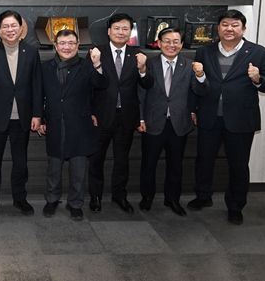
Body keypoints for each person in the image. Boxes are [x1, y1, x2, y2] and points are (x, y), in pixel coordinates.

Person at [187, 10, 265, 225]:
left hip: (241, 119)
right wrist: (193, 109)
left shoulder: (259, 52)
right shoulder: (204, 52)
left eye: (235, 25)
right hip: (209, 116)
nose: (229, 28)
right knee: (204, 160)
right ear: (218, 28)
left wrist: (257, 79)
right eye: (225, 24)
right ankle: (203, 196)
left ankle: (236, 206)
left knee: (238, 165)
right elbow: (197, 83)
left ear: (243, 29)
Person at [137, 28, 208, 216]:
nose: (171, 45)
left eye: (176, 41)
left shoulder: (190, 66)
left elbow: (200, 91)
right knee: (148, 163)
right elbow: (141, 93)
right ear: (159, 43)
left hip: (179, 123)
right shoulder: (148, 64)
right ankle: (147, 197)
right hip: (153, 122)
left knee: (176, 165)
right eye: (167, 41)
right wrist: (141, 117)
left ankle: (172, 199)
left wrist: (201, 75)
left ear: (181, 45)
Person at [88, 13, 153, 214]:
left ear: (130, 32)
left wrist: (143, 69)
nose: (121, 32)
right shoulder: (96, 52)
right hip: (101, 117)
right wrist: (90, 112)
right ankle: (95, 196)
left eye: (125, 29)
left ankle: (119, 196)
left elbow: (147, 85)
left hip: (126, 117)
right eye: (117, 28)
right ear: (109, 31)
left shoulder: (138, 54)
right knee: (96, 159)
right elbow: (89, 86)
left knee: (122, 160)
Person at [0, 10, 42, 217]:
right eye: (5, 26)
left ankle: (20, 199)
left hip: (22, 117)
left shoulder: (31, 52)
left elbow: (37, 85)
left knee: (20, 163)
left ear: (20, 28)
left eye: (13, 25)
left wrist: (37, 114)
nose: (10, 29)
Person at [39, 30, 107, 220]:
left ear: (78, 45)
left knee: (78, 170)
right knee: (54, 167)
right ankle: (52, 200)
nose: (66, 47)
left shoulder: (87, 66)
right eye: (62, 43)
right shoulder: (45, 67)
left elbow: (101, 85)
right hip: (54, 124)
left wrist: (97, 64)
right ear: (55, 45)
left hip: (80, 125)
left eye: (71, 43)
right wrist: (41, 119)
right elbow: (39, 94)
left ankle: (76, 203)